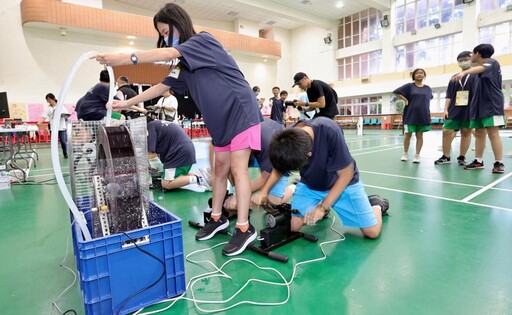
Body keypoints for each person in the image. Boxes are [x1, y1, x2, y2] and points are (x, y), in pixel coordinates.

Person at [93, 3, 263, 256]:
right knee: (219, 169)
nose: (164, 37)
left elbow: (168, 51)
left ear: (178, 22)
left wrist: (122, 59)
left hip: (240, 112)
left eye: (165, 31)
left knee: (238, 170)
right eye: (161, 34)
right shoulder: (183, 65)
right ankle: (217, 219)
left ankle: (244, 228)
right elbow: (161, 86)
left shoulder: (203, 41)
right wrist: (126, 103)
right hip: (220, 121)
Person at [253, 117, 389, 236]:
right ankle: (321, 205)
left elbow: (346, 174)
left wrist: (322, 207)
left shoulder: (330, 130)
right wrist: (264, 191)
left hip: (342, 184)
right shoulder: (288, 137)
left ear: (309, 154)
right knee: (293, 226)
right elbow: (280, 166)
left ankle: (376, 205)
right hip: (311, 184)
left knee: (372, 232)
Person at [453, 44, 506, 174]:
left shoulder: (492, 63)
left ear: (477, 53)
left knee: (493, 133)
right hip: (478, 106)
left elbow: (482, 68)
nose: (470, 56)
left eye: (472, 53)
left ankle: (499, 163)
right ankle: (478, 160)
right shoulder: (477, 71)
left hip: (492, 104)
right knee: (479, 133)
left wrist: (464, 72)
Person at [223, 118, 295, 210]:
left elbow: (265, 177)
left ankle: (293, 188)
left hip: (278, 157)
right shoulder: (233, 136)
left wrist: (240, 195)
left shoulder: (268, 143)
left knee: (271, 204)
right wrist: (235, 191)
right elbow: (229, 167)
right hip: (256, 150)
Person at [434, 51, 476, 166]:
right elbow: (449, 95)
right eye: (460, 61)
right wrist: (445, 109)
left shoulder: (476, 75)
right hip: (454, 108)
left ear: (471, 59)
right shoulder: (454, 77)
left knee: (466, 132)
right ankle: (445, 156)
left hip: (470, 108)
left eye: (465, 59)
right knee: (446, 131)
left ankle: (462, 157)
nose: (463, 62)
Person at [147, 120, 211, 191]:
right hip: (185, 151)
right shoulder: (156, 125)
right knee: (177, 174)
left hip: (179, 154)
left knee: (166, 183)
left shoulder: (150, 128)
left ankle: (199, 179)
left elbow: (151, 154)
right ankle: (201, 175)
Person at [393, 68, 433, 163]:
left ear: (424, 75)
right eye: (417, 73)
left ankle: (417, 155)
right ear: (414, 76)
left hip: (423, 115)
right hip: (410, 114)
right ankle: (405, 153)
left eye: (421, 73)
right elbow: (395, 91)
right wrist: (405, 99)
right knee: (407, 135)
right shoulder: (409, 86)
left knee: (420, 135)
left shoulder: (428, 88)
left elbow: (429, 99)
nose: (419, 74)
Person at [36, 93, 69, 158]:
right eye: (47, 100)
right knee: (54, 142)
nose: (48, 101)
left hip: (61, 127)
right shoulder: (47, 108)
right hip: (53, 128)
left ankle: (65, 153)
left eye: (49, 99)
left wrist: (63, 115)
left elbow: (67, 115)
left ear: (53, 99)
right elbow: (43, 117)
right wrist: (38, 123)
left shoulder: (60, 106)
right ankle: (55, 155)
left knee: (63, 141)